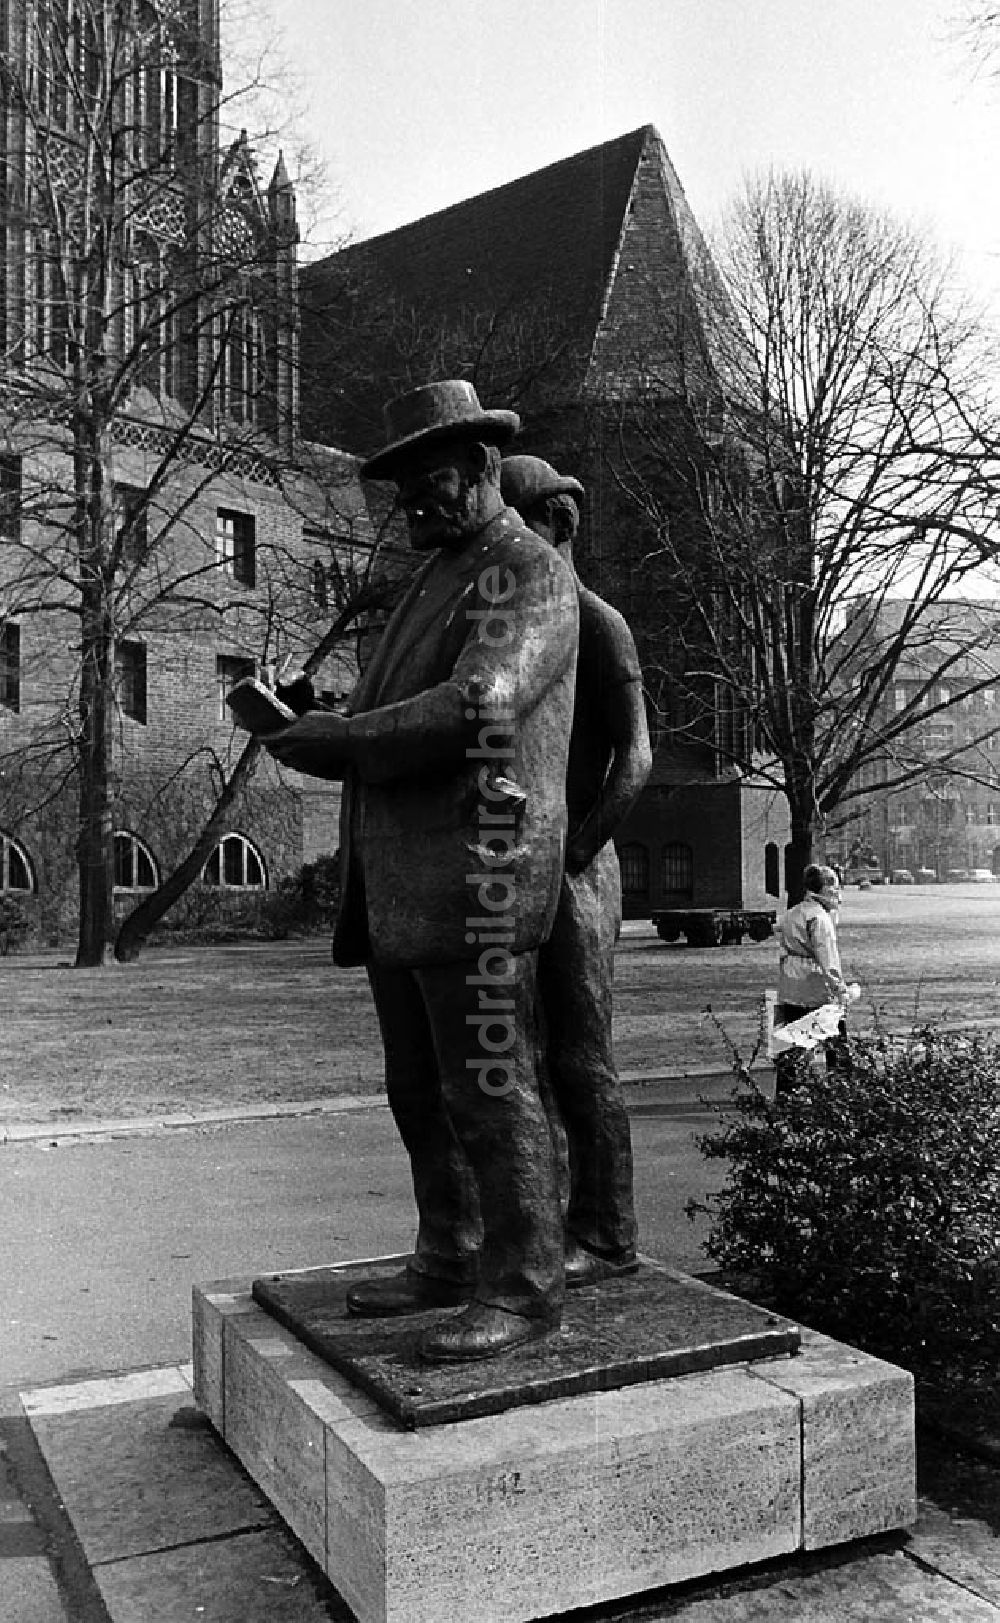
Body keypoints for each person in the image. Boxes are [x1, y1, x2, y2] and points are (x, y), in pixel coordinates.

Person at [265, 380, 580, 1363]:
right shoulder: (433, 579)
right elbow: (393, 695)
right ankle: (448, 1251)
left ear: (484, 466)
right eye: (401, 492)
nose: (412, 506)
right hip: (405, 880)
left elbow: (476, 705)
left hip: (477, 880)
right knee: (418, 1087)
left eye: (429, 482)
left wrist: (341, 738)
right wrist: (319, 705)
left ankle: (524, 1287)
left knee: (490, 1084)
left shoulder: (526, 571)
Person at [500, 454, 652, 1285]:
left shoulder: (597, 622)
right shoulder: (522, 626)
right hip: (531, 862)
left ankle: (607, 1230)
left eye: (520, 524)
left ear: (557, 524)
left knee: (581, 1053)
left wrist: (581, 850)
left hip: (580, 867)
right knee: (523, 1050)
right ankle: (545, 1222)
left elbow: (635, 758)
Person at [774, 864, 853, 1094]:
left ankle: (787, 1091)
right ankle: (843, 1088)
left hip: (790, 983)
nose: (839, 892)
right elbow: (828, 958)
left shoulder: (794, 912)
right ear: (827, 888)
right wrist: (840, 989)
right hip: (815, 984)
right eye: (836, 886)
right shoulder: (819, 919)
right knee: (837, 1039)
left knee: (790, 1041)